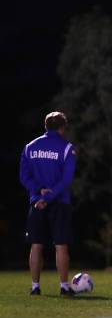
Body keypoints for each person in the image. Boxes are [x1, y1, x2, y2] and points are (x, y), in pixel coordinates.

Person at [19, 112, 77, 296]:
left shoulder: (29, 147)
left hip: (36, 203)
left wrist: (39, 192)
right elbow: (66, 180)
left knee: (36, 244)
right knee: (61, 245)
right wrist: (49, 197)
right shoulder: (67, 148)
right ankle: (64, 287)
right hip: (59, 202)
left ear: (45, 126)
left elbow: (24, 177)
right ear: (62, 128)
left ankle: (35, 287)